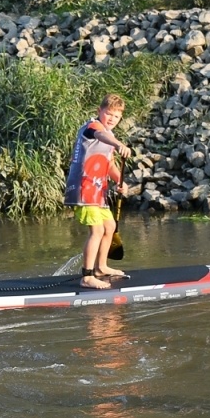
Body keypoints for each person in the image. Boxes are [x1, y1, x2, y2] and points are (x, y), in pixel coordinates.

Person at [64, 94, 132, 289]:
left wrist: (120, 181)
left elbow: (109, 164)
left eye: (116, 116)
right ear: (99, 111)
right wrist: (118, 144)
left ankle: (101, 267)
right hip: (83, 189)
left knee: (109, 226)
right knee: (97, 230)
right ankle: (87, 276)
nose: (111, 119)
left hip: (98, 191)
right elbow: (102, 136)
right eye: (108, 113)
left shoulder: (109, 138)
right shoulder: (92, 127)